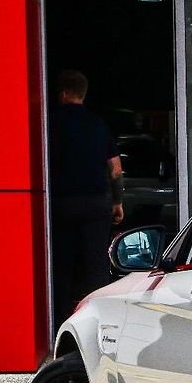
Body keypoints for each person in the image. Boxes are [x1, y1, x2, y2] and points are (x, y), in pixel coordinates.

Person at [48, 70, 123, 330]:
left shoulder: (49, 122)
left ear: (64, 93)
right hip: (95, 205)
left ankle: (59, 325)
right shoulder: (97, 123)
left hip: (61, 204)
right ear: (83, 93)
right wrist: (117, 202)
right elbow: (115, 168)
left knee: (62, 265)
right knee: (96, 267)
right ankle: (97, 325)